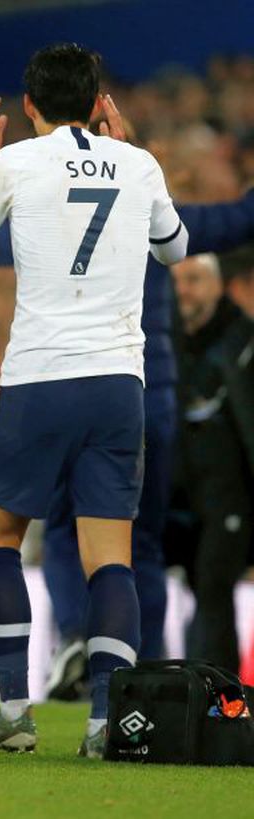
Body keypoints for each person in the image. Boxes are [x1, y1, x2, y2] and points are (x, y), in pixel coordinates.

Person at [0, 43, 188, 757]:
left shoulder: (16, 161)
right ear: (99, 101)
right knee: (110, 558)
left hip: (41, 378)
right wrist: (129, 155)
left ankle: (14, 711)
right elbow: (175, 249)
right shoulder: (139, 164)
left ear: (29, 106)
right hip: (119, 383)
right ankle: (107, 722)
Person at [0, 165, 254, 701]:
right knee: (138, 544)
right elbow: (240, 220)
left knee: (62, 529)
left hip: (63, 382)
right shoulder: (153, 211)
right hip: (145, 396)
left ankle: (75, 639)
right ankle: (141, 681)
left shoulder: (47, 213)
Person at [169, 253, 254, 673]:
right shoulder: (165, 344)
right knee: (202, 591)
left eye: (195, 279)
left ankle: (217, 696)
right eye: (178, 281)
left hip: (231, 498)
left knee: (214, 588)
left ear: (220, 286)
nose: (183, 290)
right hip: (181, 500)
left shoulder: (241, 343)